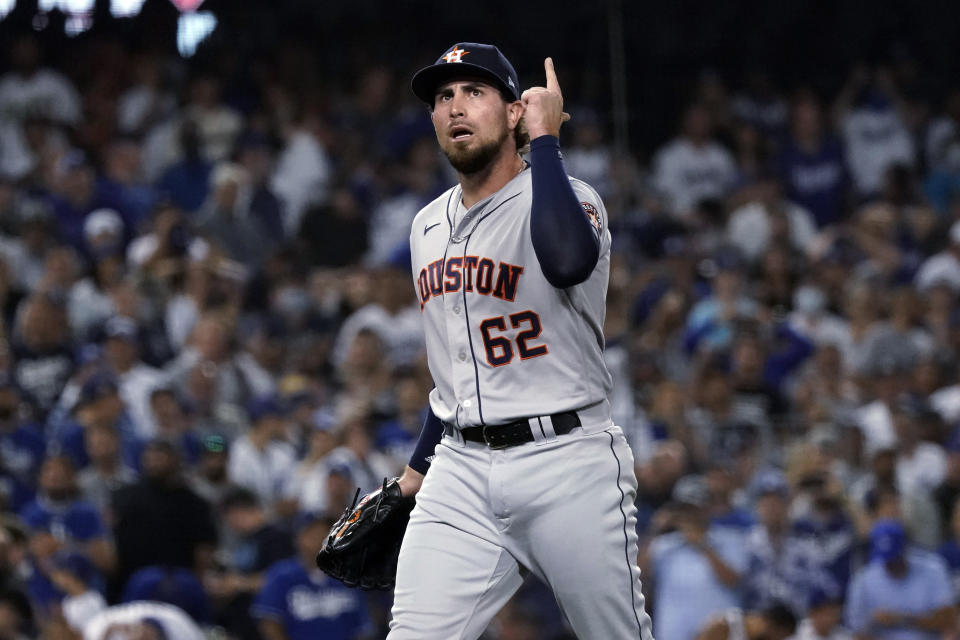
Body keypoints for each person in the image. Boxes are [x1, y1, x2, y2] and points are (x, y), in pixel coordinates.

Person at [384, 43, 654, 638]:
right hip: (461, 468)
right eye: (443, 97)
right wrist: (414, 474)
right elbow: (454, 371)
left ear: (514, 113)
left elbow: (565, 260)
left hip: (567, 462)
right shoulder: (425, 224)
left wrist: (547, 142)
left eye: (475, 92)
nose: (455, 106)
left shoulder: (571, 197)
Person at [252, 512, 372, 640]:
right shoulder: (282, 574)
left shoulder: (346, 574)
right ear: (298, 538)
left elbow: (361, 628)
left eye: (326, 532)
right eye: (314, 534)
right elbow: (269, 623)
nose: (322, 538)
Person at [845, 519, 956, 639]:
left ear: (906, 549)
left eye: (894, 559)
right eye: (886, 560)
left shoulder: (933, 568)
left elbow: (948, 620)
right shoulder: (864, 579)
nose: (890, 564)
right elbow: (857, 633)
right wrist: (872, 622)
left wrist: (901, 619)